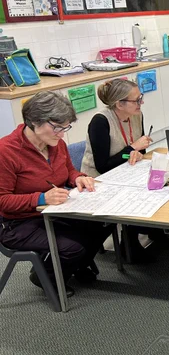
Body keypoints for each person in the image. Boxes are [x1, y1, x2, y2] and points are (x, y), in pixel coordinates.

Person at [0, 92, 109, 297]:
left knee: (104, 222)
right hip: (18, 223)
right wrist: (41, 198)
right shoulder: (6, 151)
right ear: (34, 121)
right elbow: (2, 200)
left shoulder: (56, 143)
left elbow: (69, 171)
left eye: (65, 127)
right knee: (73, 247)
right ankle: (45, 277)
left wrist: (78, 178)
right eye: (57, 127)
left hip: (54, 211)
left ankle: (76, 265)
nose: (62, 134)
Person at [81, 78, 169, 261]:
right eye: (136, 100)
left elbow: (141, 151)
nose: (141, 103)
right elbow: (102, 166)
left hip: (126, 170)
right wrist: (132, 148)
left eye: (141, 97)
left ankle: (155, 231)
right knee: (138, 193)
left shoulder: (136, 115)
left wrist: (136, 152)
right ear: (119, 104)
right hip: (99, 179)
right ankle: (129, 244)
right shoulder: (100, 122)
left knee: (161, 181)